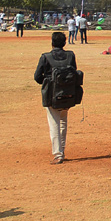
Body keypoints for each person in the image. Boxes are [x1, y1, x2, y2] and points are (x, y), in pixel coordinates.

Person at [33, 31, 81, 164]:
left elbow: (37, 77)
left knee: (54, 123)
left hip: (52, 95)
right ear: (65, 42)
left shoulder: (46, 57)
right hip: (69, 94)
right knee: (63, 122)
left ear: (52, 43)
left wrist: (48, 82)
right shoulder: (70, 55)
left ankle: (58, 154)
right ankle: (62, 150)